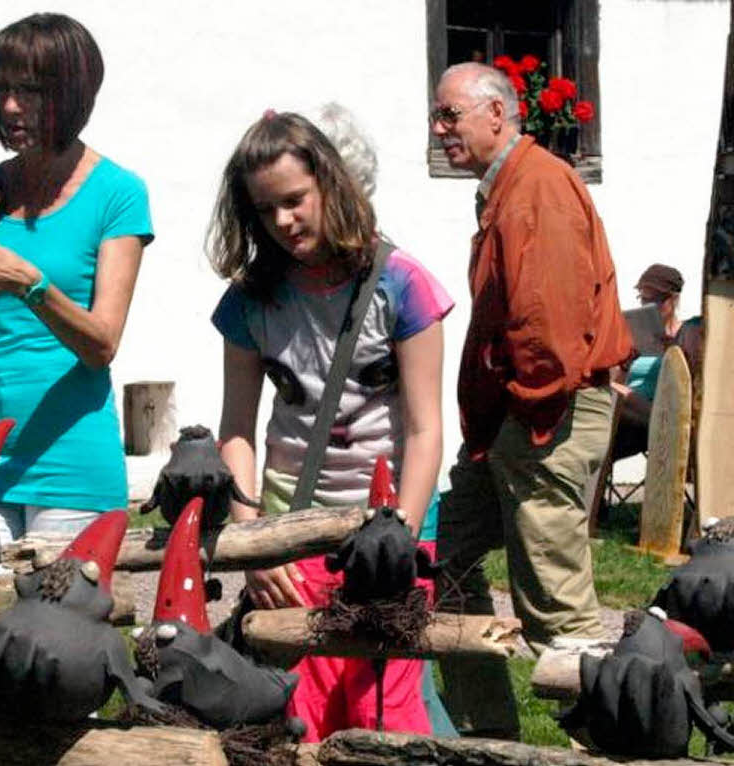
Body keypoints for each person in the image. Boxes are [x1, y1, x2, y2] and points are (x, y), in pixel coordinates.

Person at [209, 110, 452, 741]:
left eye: (295, 200)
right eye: (265, 210)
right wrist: (252, 542)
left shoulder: (402, 284)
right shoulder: (250, 300)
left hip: (385, 526)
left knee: (383, 706)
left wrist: (400, 540)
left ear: (330, 184)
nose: (283, 222)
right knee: (303, 713)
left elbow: (426, 429)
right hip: (292, 532)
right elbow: (236, 428)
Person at [0, 13, 152, 691]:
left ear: (75, 91)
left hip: (70, 461)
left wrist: (27, 280)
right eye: (1, 89)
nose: (11, 107)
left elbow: (102, 343)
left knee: (54, 658)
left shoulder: (118, 193)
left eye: (31, 90)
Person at [429, 62, 633, 738]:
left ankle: (607, 746)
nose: (439, 128)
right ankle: (488, 736)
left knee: (555, 604)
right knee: (448, 557)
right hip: (513, 421)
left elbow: (549, 324)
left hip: (545, 413)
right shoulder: (510, 188)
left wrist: (533, 413)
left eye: (450, 114)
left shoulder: (537, 186)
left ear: (497, 113)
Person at [612, 264, 703, 460]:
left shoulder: (687, 334)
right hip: (622, 411)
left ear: (674, 298)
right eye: (645, 299)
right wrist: (626, 363)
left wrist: (673, 350)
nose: (649, 306)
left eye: (657, 300)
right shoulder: (634, 331)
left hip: (657, 415)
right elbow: (617, 384)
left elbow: (685, 388)